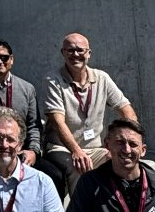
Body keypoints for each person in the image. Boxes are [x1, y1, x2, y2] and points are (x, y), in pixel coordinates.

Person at [39, 33, 140, 188]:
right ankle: (79, 211)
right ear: (63, 53)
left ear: (89, 53)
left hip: (95, 147)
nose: (76, 55)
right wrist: (76, 151)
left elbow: (126, 109)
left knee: (123, 161)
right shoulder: (53, 80)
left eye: (80, 50)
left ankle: (118, 207)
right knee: (78, 166)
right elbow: (58, 122)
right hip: (62, 148)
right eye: (70, 50)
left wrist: (126, 141)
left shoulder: (102, 78)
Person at [0, 39, 58, 192]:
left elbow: (34, 125)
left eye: (4, 57)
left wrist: (33, 151)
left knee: (54, 175)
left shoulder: (27, 89)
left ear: (11, 59)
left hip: (23, 151)